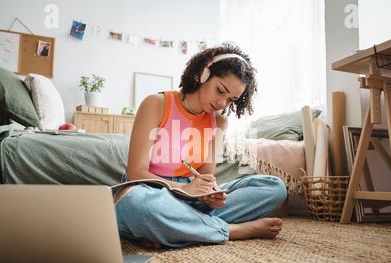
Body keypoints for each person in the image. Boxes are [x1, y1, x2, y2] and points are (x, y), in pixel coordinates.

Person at [114, 43, 287, 248]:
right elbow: (135, 172)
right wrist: (185, 188)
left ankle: (180, 227)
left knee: (274, 187)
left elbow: (206, 176)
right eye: (220, 90)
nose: (223, 103)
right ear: (203, 73)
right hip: (149, 190)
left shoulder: (220, 122)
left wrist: (210, 195)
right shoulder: (156, 103)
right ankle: (230, 230)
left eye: (231, 99)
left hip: (191, 201)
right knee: (138, 205)